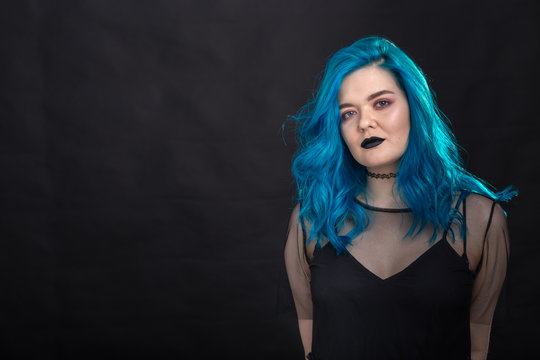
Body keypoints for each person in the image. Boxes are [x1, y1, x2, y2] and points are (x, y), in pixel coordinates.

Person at [283, 36, 517, 360]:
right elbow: (310, 330)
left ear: (414, 105)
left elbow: (478, 343)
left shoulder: (479, 220)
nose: (365, 123)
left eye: (381, 103)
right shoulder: (312, 219)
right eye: (348, 113)